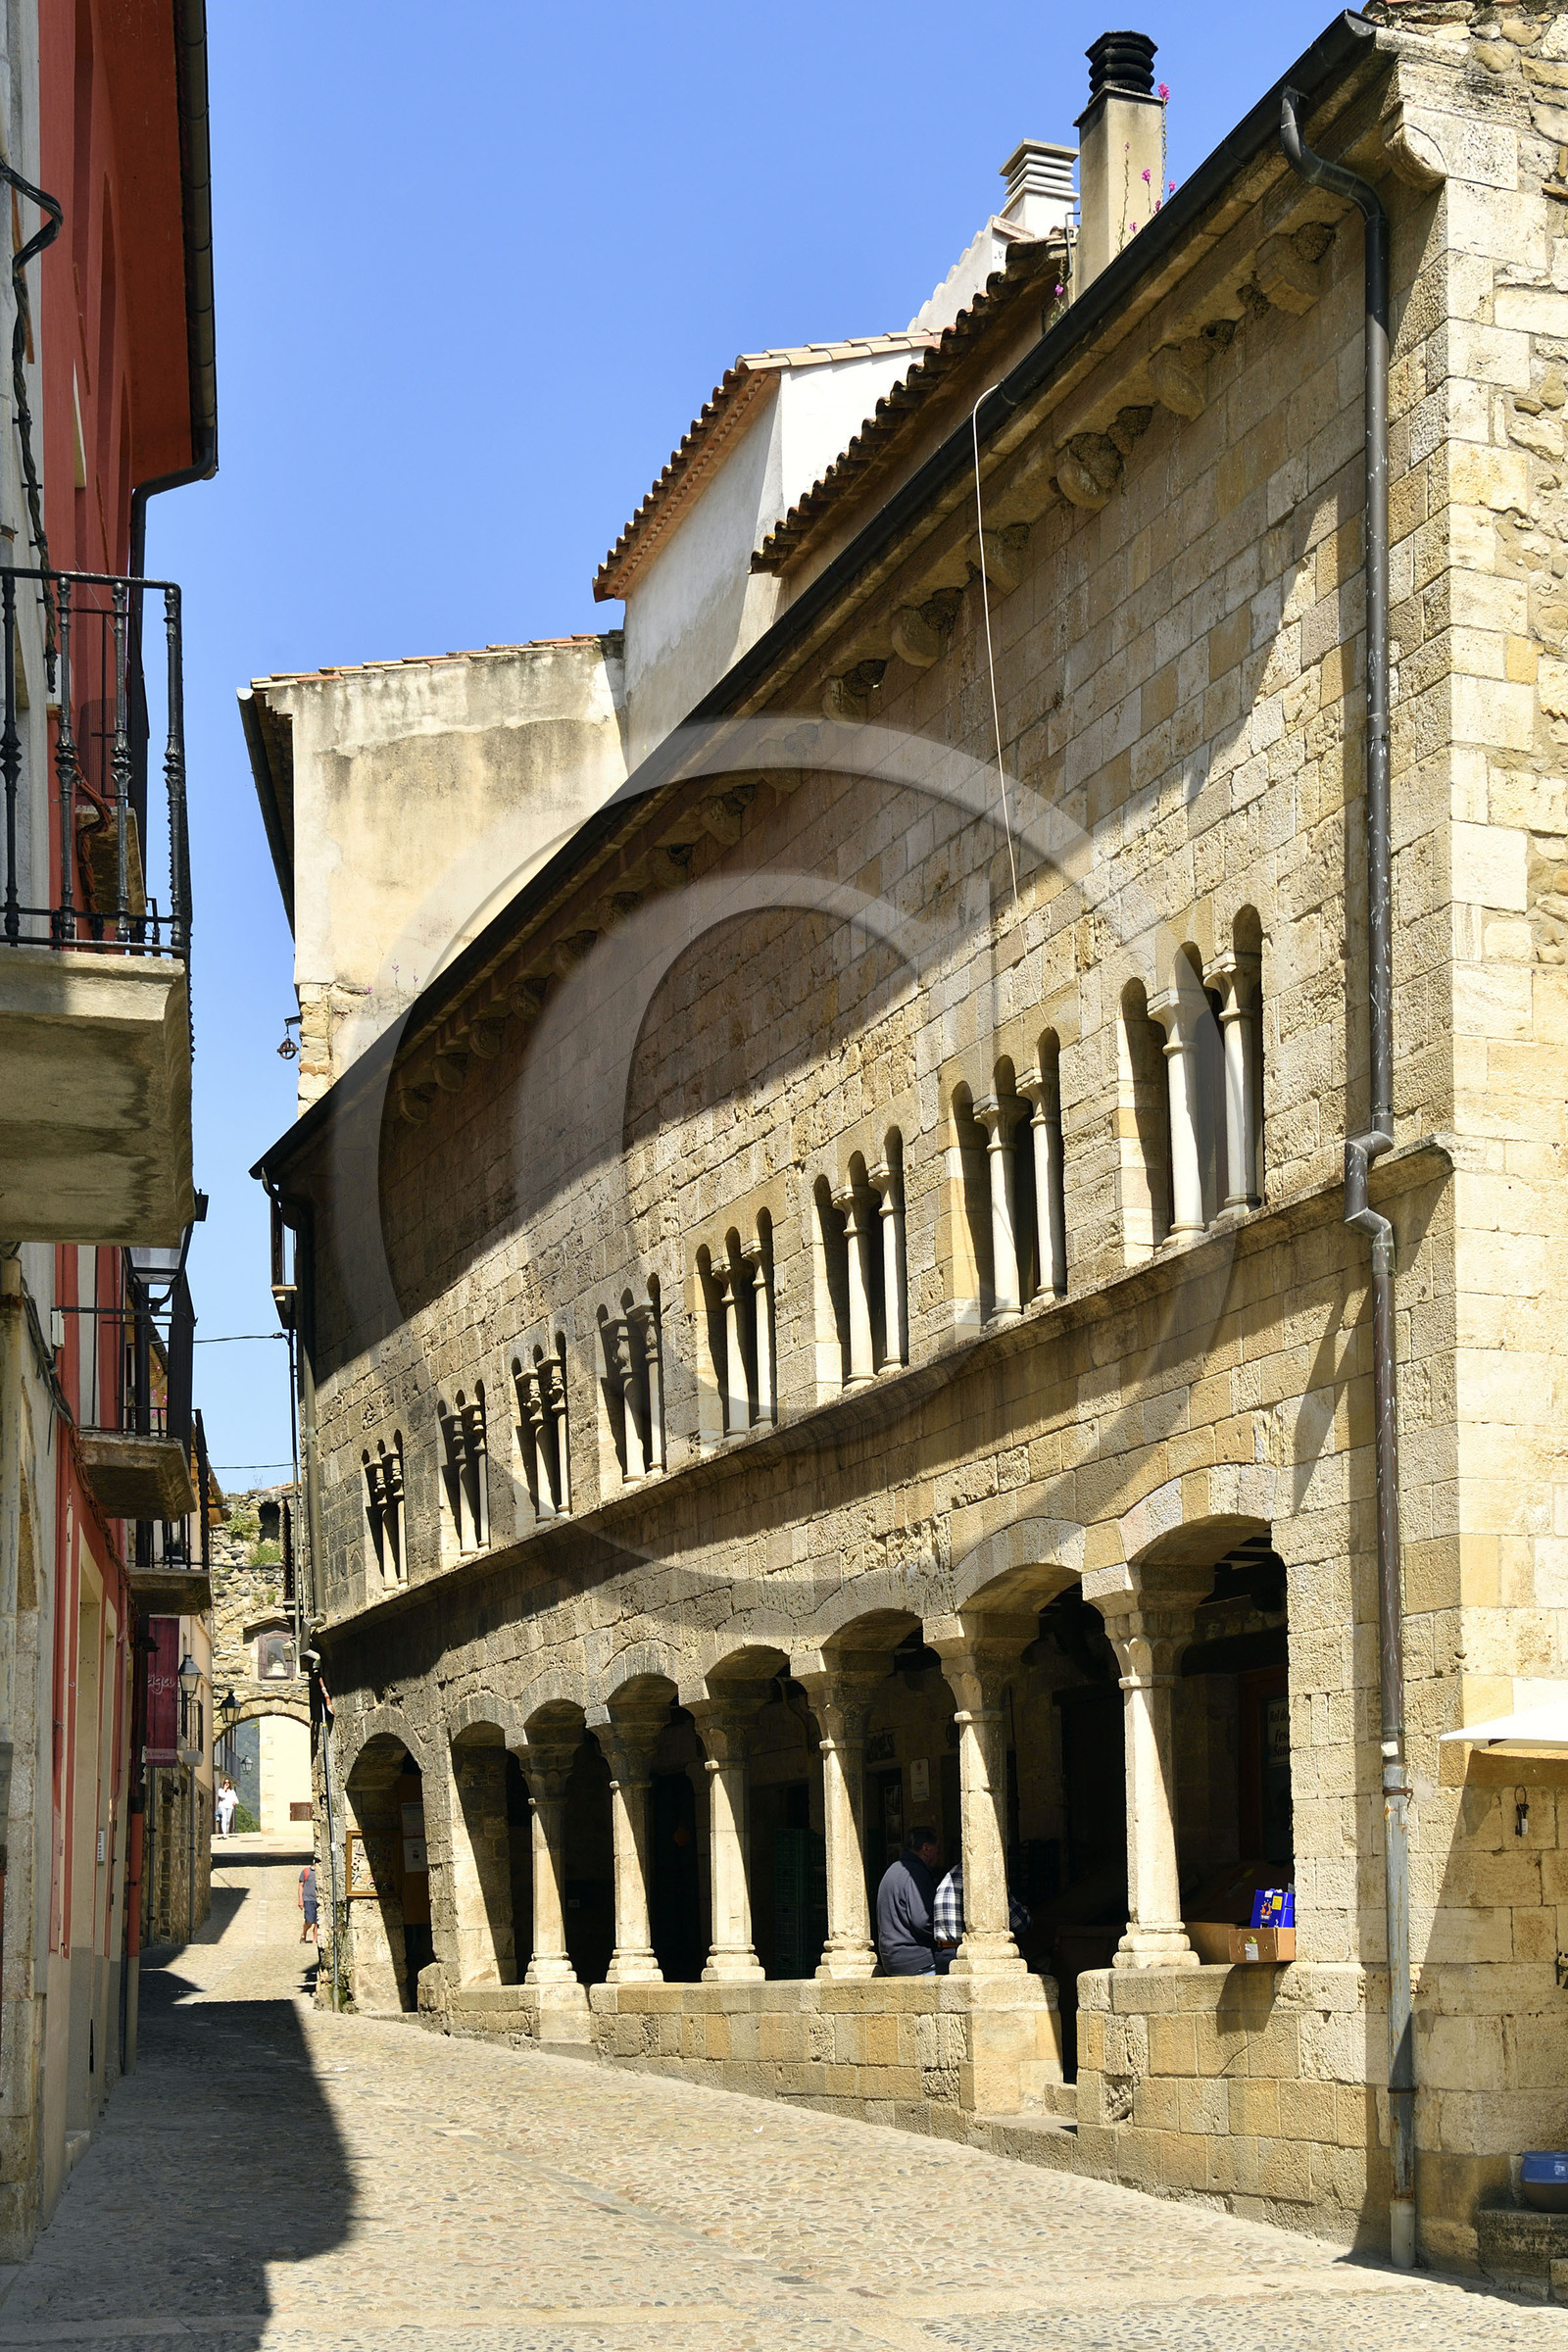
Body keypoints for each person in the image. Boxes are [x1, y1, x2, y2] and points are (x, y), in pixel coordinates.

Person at [932, 1856, 1031, 1966]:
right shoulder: (984, 1877)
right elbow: (1020, 1923)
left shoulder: (951, 1875)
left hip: (943, 1954)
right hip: (962, 1954)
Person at [874, 1826, 941, 1976]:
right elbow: (922, 1920)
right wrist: (942, 1932)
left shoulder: (892, 1870)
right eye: (938, 1850)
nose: (939, 1856)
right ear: (926, 1848)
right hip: (916, 1959)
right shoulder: (915, 1873)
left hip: (891, 1959)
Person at [298, 1860, 318, 1946]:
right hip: (308, 1899)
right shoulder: (306, 1871)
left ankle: (315, 1940)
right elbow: (300, 1886)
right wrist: (300, 1900)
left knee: (318, 1921)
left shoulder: (320, 1873)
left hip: (318, 1899)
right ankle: (304, 1933)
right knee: (309, 1920)